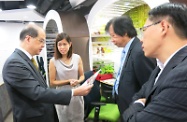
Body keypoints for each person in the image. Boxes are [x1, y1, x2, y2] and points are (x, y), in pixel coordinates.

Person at [2, 23, 93, 122]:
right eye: (41, 41)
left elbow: (41, 87)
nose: (43, 45)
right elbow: (37, 92)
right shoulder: (15, 63)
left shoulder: (27, 60)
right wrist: (74, 92)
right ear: (28, 39)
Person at [122, 2, 187, 122]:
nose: (141, 39)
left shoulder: (183, 74)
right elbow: (139, 94)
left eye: (144, 30)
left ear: (163, 27)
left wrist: (138, 104)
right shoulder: (161, 67)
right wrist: (140, 101)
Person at [105, 16, 156, 116]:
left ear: (124, 33)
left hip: (134, 109)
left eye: (114, 36)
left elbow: (149, 85)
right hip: (125, 105)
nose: (112, 40)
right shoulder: (128, 49)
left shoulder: (139, 52)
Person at [49, 32, 84, 122]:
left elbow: (82, 76)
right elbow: (52, 82)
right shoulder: (53, 61)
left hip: (77, 93)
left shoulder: (77, 58)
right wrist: (68, 81)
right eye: (59, 45)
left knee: (78, 119)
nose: (62, 47)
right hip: (62, 95)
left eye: (64, 44)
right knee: (64, 119)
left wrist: (78, 81)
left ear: (70, 44)